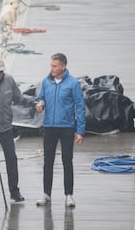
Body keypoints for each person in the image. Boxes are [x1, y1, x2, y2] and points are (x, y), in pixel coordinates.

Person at [0, 57, 35, 207]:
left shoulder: (9, 80)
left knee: (12, 158)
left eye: (1, 71)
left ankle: (14, 191)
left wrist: (34, 101)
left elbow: (18, 97)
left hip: (6, 128)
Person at [35, 53, 85, 208]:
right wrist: (40, 103)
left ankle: (69, 195)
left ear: (63, 67)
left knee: (67, 161)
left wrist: (80, 130)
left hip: (67, 127)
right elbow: (40, 98)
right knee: (47, 162)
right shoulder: (45, 81)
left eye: (54, 66)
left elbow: (80, 106)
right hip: (49, 127)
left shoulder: (73, 83)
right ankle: (46, 194)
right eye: (50, 65)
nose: (51, 68)